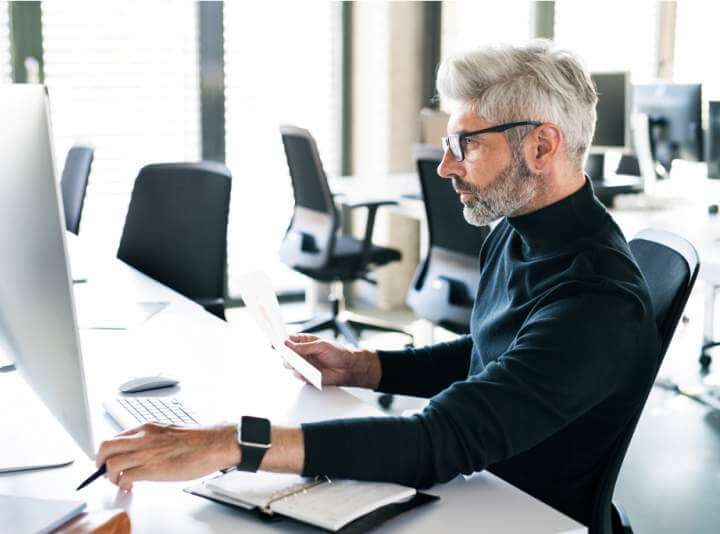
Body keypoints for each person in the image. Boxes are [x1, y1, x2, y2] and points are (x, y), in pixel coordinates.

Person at [96, 40, 659, 528]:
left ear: (541, 147)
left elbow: (441, 440)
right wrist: (367, 367)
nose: (445, 167)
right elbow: (497, 355)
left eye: (466, 144)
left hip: (525, 516)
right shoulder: (519, 230)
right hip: (480, 489)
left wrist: (230, 443)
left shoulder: (598, 298)